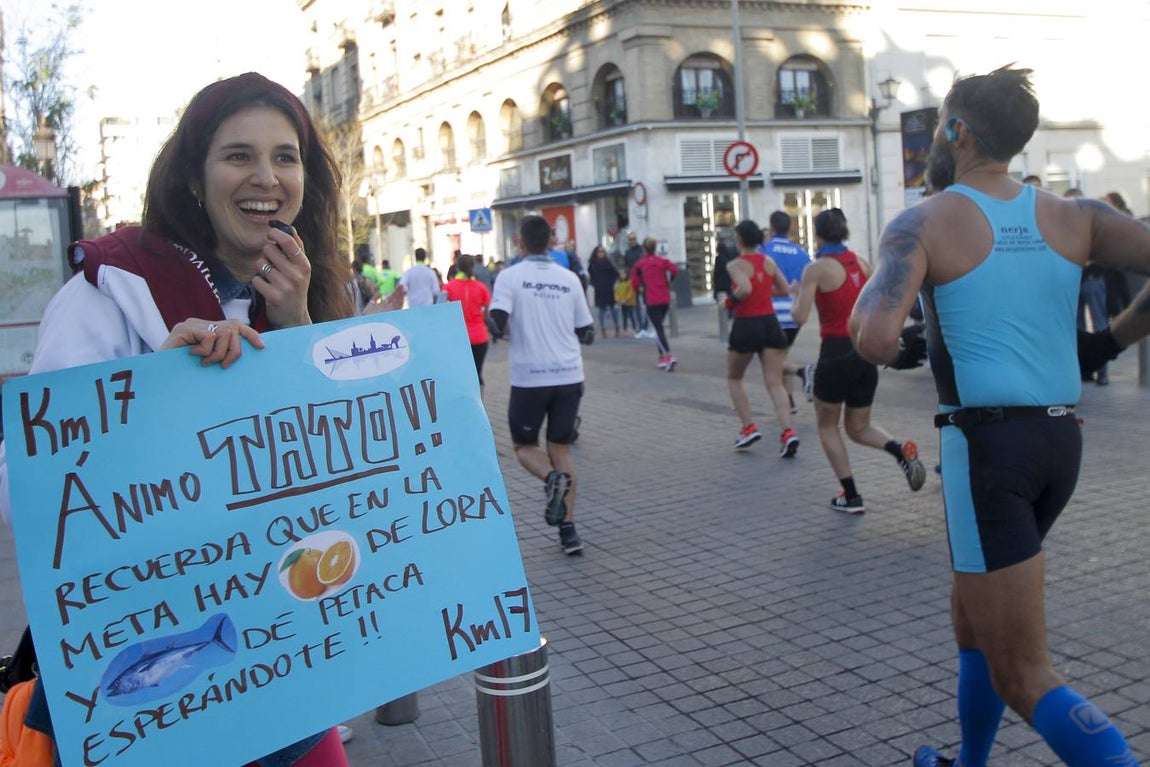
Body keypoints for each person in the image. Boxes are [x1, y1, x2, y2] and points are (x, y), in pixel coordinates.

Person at [0, 72, 352, 767]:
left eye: (286, 156)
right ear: (195, 174)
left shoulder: (308, 294)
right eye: (238, 155)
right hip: (149, 695)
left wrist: (298, 332)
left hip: (284, 673)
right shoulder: (107, 290)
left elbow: (343, 481)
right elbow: (24, 491)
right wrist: (152, 393)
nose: (267, 177)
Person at [849, 65, 1150, 767]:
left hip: (987, 454)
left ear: (956, 131)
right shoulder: (1075, 215)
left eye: (940, 124)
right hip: (1058, 442)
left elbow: (873, 338)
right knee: (972, 621)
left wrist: (896, 333)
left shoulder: (923, 220)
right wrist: (1108, 340)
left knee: (1025, 672)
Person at [790, 208, 925, 513]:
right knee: (858, 427)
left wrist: (797, 292)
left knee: (827, 425)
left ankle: (850, 495)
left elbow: (799, 316)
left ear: (819, 234)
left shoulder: (816, 269)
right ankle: (899, 450)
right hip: (864, 351)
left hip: (835, 351)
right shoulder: (861, 263)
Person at [489, 215, 595, 555]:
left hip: (530, 378)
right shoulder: (569, 279)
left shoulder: (509, 277)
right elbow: (587, 333)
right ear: (552, 240)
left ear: (519, 241)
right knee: (560, 451)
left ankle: (551, 480)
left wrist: (490, 322)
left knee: (523, 447)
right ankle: (569, 532)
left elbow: (498, 323)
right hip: (568, 376)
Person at [724, 220, 799, 456]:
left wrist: (728, 302)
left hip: (746, 324)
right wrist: (764, 291)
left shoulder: (736, 264)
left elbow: (744, 289)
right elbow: (785, 289)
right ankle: (788, 432)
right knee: (775, 382)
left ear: (738, 240)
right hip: (770, 323)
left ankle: (748, 427)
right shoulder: (768, 262)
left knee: (734, 377)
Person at [760, 211, 814, 412]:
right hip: (793, 314)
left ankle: (803, 371)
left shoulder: (764, 250)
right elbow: (807, 282)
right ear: (790, 227)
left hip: (770, 314)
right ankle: (789, 400)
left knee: (771, 361)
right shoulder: (801, 252)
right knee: (782, 355)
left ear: (772, 227)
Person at [443, 254, 493, 392]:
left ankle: (465, 404)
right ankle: (479, 407)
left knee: (461, 374)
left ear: (457, 267)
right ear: (473, 267)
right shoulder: (481, 287)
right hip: (479, 336)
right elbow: (487, 312)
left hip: (458, 337)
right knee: (477, 373)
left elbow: (440, 309)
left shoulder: (448, 288)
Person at [630, 237, 680, 371]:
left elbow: (634, 281)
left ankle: (668, 355)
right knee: (658, 327)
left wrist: (638, 290)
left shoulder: (640, 264)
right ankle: (661, 358)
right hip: (664, 298)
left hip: (651, 299)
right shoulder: (662, 261)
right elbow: (674, 270)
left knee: (658, 328)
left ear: (644, 249)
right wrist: (670, 281)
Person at [588, 244, 621, 337]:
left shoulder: (608, 262)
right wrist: (595, 284)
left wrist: (612, 283)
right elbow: (591, 276)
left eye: (602, 251)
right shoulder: (592, 264)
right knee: (601, 311)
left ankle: (617, 328)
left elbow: (615, 273)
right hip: (599, 290)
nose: (601, 253)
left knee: (613, 309)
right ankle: (603, 329)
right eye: (599, 251)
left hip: (609, 289)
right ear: (596, 253)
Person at [622, 231, 650, 336]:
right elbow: (626, 266)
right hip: (633, 280)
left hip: (643, 280)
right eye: (630, 239)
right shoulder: (628, 252)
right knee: (636, 304)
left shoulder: (641, 251)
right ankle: (640, 325)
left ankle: (645, 324)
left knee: (647, 303)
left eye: (634, 239)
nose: (632, 241)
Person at [615, 268, 639, 334]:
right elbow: (616, 292)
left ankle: (634, 328)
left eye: (623, 274)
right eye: (620, 274)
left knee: (631, 315)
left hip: (629, 302)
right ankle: (625, 328)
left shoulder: (630, 281)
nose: (622, 275)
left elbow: (631, 292)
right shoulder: (618, 282)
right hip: (622, 303)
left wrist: (625, 299)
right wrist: (618, 299)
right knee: (624, 316)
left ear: (626, 274)